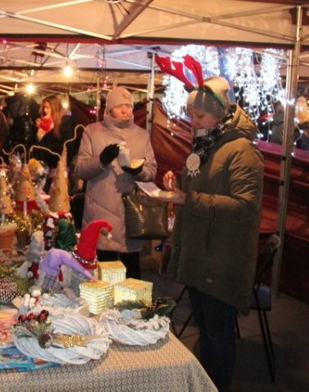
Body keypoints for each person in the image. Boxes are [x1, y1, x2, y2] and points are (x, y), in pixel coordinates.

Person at [161, 76, 264, 392]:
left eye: (199, 116)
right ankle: (205, 383)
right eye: (191, 115)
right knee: (206, 330)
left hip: (221, 258)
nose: (192, 122)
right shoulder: (208, 144)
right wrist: (178, 184)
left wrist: (190, 199)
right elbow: (204, 188)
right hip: (201, 252)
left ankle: (215, 386)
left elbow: (246, 206)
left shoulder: (242, 150)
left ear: (219, 115)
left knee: (217, 334)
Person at [73, 86, 157, 279]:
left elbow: (152, 172)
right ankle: (104, 306)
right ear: (109, 109)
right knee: (104, 270)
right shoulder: (93, 132)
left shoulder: (142, 135)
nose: (125, 110)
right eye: (120, 106)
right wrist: (101, 160)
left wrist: (138, 172)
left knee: (132, 272)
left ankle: (134, 306)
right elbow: (81, 170)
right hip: (101, 209)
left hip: (131, 213)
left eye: (129, 105)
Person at [32, 94, 76, 170]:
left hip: (58, 165)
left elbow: (68, 146)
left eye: (48, 108)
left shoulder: (64, 122)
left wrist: (46, 147)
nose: (45, 110)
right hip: (44, 165)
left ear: (55, 108)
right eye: (44, 107)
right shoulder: (43, 122)